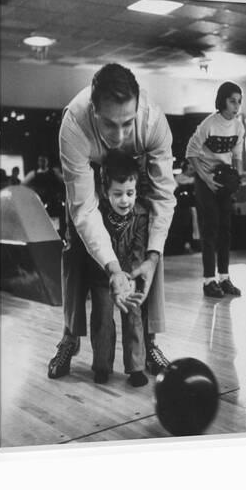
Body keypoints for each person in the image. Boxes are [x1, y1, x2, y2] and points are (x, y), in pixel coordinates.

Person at [48, 63, 176, 379]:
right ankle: (69, 337)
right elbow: (84, 210)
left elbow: (163, 196)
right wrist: (114, 269)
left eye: (127, 124)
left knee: (150, 251)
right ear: (94, 110)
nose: (118, 137)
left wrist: (152, 256)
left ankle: (150, 343)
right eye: (109, 125)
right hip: (93, 187)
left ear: (138, 109)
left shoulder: (154, 122)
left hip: (131, 182)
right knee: (74, 249)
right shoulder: (74, 125)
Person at [88, 151, 149, 387]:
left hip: (130, 276)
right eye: (118, 194)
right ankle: (102, 366)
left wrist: (130, 277)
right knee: (102, 317)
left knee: (133, 315)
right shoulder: (97, 214)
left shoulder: (140, 216)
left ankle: (136, 367)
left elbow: (139, 249)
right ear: (105, 193)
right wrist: (111, 273)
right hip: (103, 276)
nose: (125, 200)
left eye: (130, 194)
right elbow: (94, 245)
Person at [186, 81, 245, 298]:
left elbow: (237, 157)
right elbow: (190, 153)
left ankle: (224, 278)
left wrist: (235, 182)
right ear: (222, 101)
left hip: (224, 179)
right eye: (232, 101)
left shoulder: (238, 127)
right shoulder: (208, 124)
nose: (236, 106)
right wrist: (206, 178)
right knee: (209, 229)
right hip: (205, 179)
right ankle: (208, 281)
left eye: (239, 102)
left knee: (225, 230)